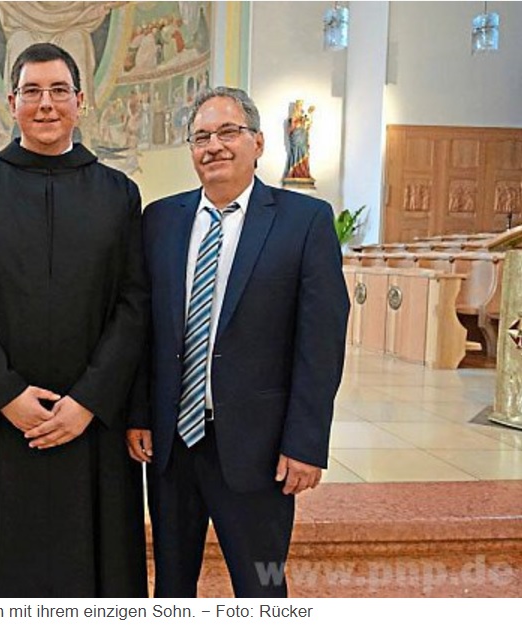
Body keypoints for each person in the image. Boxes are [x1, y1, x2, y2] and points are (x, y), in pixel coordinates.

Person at [0, 43, 148, 598]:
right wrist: (5, 394)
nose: (46, 104)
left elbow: (133, 305)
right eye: (32, 91)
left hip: (91, 424)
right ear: (11, 102)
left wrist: (89, 401)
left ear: (82, 101)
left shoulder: (119, 194)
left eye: (59, 91)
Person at [129, 87, 348, 597]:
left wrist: (306, 443)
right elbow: (145, 329)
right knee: (172, 584)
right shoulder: (160, 220)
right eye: (201, 136)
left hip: (260, 448)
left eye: (229, 132)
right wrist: (140, 412)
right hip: (171, 448)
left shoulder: (304, 222)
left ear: (259, 143)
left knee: (263, 585)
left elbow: (321, 343)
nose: (214, 146)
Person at [283, 99, 315, 181]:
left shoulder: (302, 116)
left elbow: (307, 126)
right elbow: (291, 129)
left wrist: (310, 115)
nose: (300, 107)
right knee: (296, 153)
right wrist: (297, 123)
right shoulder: (294, 116)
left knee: (304, 153)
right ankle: (294, 172)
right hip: (296, 138)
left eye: (301, 105)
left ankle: (304, 173)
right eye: (299, 105)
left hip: (303, 138)